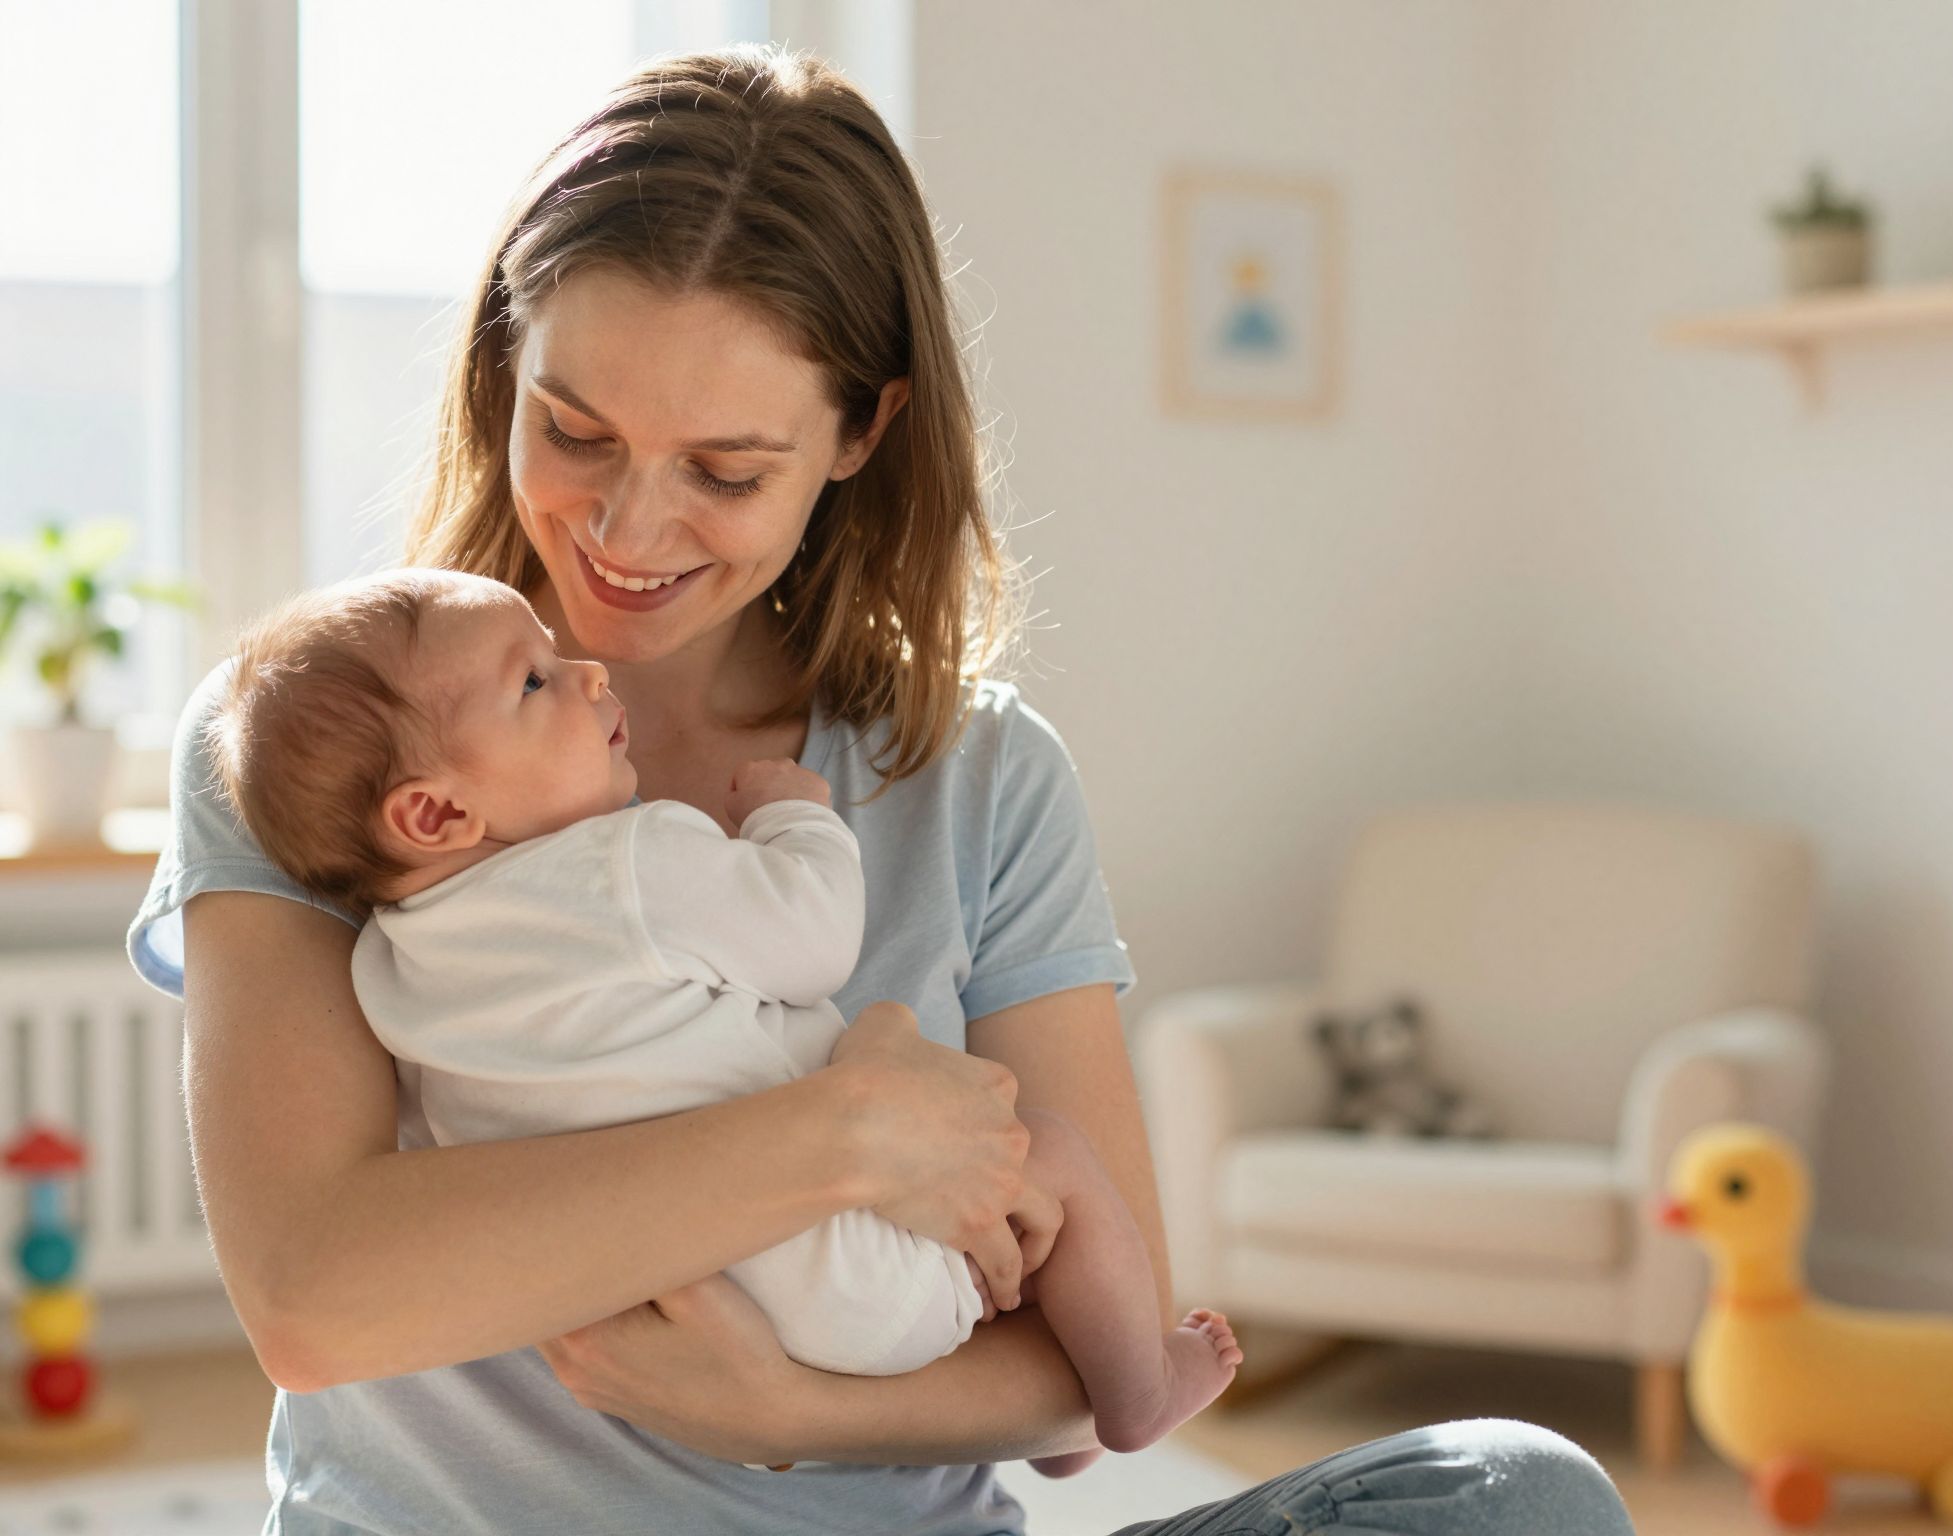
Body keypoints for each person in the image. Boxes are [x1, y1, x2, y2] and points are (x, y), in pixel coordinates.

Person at [128, 44, 1637, 1535]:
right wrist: (844, 1138)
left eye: (724, 469)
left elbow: (1076, 1370)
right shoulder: (317, 752)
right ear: (501, 374)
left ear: (861, 433)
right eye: (574, 432)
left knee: (1520, 1498)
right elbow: (316, 1300)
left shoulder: (977, 777)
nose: (627, 527)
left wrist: (790, 1418)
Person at [202, 567, 1243, 1470]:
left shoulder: (392, 960)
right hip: (846, 1276)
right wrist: (795, 815)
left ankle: (1062, 1423)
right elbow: (814, 936)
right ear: (434, 811)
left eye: (726, 469)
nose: (585, 676)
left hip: (698, 1299)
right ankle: (1136, 1395)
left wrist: (789, 1408)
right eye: (533, 682)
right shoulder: (628, 862)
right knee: (1043, 1153)